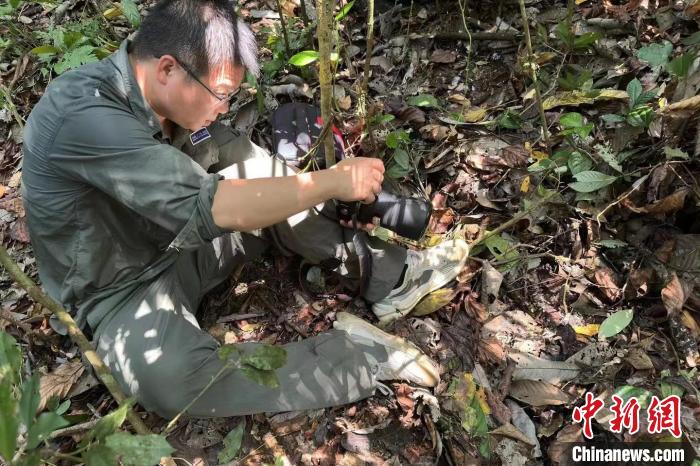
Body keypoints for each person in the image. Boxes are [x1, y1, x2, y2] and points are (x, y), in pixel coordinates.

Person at [20, 0, 470, 419]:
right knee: (172, 383)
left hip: (187, 247)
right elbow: (210, 205)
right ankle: (355, 355)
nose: (224, 108)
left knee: (275, 180)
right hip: (121, 292)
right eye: (219, 94)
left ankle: (395, 277)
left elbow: (250, 169)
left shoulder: (175, 104)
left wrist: (325, 189)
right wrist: (330, 181)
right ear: (167, 69)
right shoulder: (81, 114)